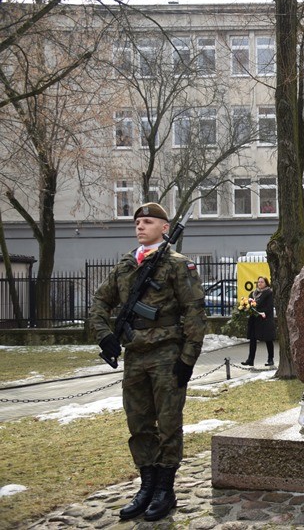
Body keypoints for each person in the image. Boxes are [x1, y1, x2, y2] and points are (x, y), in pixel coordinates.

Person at [88, 202, 207, 522]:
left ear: (164, 227)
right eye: (138, 222)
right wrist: (104, 335)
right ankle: (147, 487)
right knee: (138, 424)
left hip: (168, 355)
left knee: (168, 424)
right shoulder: (126, 265)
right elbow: (100, 300)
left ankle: (165, 490)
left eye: (148, 222)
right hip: (135, 356)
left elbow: (194, 313)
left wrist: (188, 359)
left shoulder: (178, 265)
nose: (140, 226)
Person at [242, 276, 276, 367]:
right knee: (253, 339)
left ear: (266, 283)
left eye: (262, 282)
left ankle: (270, 359)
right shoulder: (253, 293)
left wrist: (258, 310)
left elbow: (269, 307)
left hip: (265, 319)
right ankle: (250, 359)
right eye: (259, 282)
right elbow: (249, 304)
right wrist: (247, 307)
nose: (259, 283)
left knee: (268, 339)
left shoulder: (269, 293)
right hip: (254, 320)